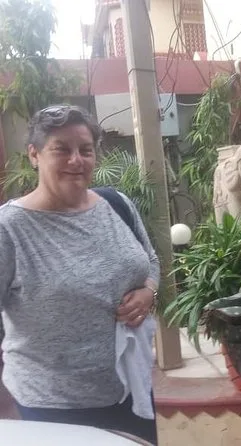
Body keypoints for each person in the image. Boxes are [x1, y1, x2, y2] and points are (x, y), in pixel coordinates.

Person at [0, 105, 159, 444]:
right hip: (53, 408)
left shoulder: (116, 204)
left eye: (86, 150)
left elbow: (150, 260)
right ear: (34, 154)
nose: (76, 160)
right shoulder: (9, 229)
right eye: (61, 149)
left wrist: (149, 291)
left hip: (131, 388)